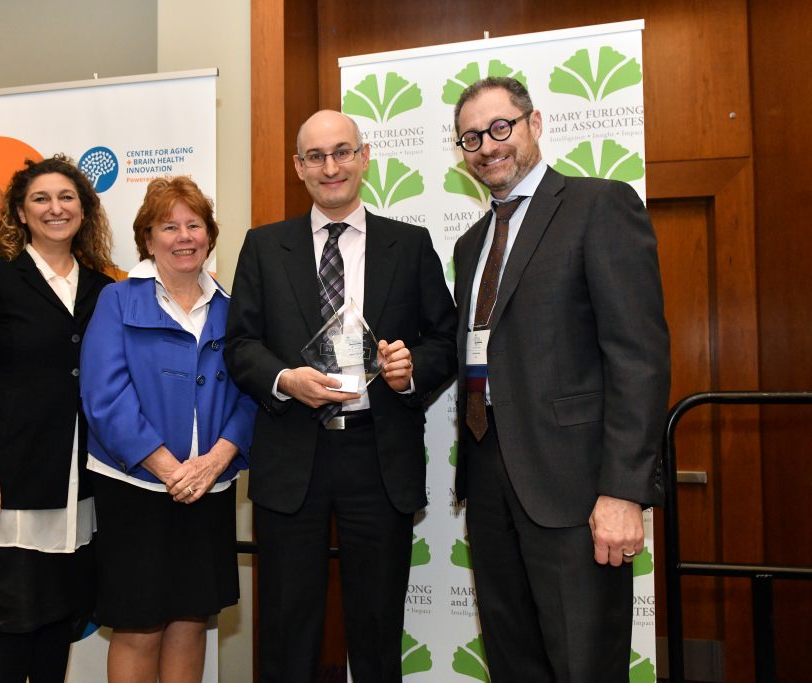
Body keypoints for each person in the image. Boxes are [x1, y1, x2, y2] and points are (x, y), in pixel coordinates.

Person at [451, 76, 671, 682]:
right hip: (489, 473)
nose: (488, 146)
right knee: (512, 659)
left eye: (501, 128)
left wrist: (624, 490)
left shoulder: (599, 205)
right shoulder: (471, 244)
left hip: (576, 487)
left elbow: (638, 356)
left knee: (584, 665)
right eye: (471, 137)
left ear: (535, 124)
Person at [225, 110, 457, 682]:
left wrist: (409, 371)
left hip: (377, 454)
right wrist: (285, 379)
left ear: (365, 156)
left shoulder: (410, 244)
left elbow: (446, 339)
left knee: (377, 625)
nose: (331, 167)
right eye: (317, 156)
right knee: (286, 622)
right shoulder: (262, 246)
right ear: (298, 167)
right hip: (292, 452)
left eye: (343, 152)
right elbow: (240, 344)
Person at [80, 176, 256, 683]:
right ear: (148, 238)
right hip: (135, 488)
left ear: (210, 234)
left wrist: (216, 461)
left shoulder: (233, 305)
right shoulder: (117, 301)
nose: (184, 236)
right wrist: (168, 468)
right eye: (169, 226)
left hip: (211, 486)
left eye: (194, 225)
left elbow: (251, 393)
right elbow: (104, 396)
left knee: (190, 619)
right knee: (139, 626)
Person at [0, 155, 115, 682]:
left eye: (66, 197)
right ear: (19, 213)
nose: (55, 208)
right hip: (7, 483)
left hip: (79, 486)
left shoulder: (103, 289)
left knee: (59, 621)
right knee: (13, 621)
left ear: (84, 211)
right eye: (40, 199)